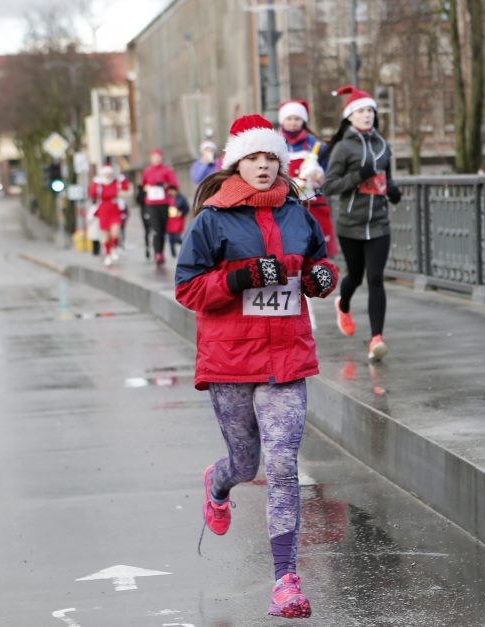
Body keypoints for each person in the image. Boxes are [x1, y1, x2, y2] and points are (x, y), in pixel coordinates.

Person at [174, 114, 337, 619]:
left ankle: (286, 581)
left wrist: (321, 278)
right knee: (247, 464)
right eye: (254, 158)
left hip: (286, 354)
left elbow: (316, 263)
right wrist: (244, 275)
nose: (264, 166)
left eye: (271, 158)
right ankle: (218, 484)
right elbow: (188, 289)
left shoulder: (298, 213)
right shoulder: (212, 219)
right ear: (236, 163)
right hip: (230, 359)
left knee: (284, 464)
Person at [323, 85, 401, 361]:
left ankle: (376, 339)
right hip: (351, 224)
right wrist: (358, 176)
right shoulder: (343, 148)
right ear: (350, 117)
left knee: (375, 278)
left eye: (370, 110)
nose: (366, 115)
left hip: (379, 223)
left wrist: (393, 191)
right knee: (355, 277)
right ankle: (342, 305)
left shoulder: (383, 146)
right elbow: (329, 186)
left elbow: (387, 179)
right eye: (360, 111)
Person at [278, 99, 336, 256]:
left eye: (297, 119)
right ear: (282, 120)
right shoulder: (274, 143)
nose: (293, 123)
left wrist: (317, 175)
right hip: (284, 202)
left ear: (303, 120)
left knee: (316, 246)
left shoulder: (316, 145)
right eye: (289, 119)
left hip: (312, 202)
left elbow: (328, 174)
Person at [140, 148, 179, 267]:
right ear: (151, 158)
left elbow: (174, 187)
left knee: (162, 230)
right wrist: (146, 188)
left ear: (161, 158)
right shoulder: (147, 171)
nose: (156, 159)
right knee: (156, 229)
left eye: (158, 157)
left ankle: (161, 252)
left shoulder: (167, 170)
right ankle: (157, 253)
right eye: (154, 157)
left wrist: (166, 186)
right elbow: (143, 185)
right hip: (151, 204)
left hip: (164, 203)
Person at [87, 164, 130, 266]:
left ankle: (114, 248)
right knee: (106, 236)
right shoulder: (99, 184)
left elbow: (126, 187)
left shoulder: (115, 183)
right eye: (105, 174)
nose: (107, 176)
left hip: (114, 209)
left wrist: (123, 179)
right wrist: (94, 183)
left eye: (109, 174)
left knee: (115, 232)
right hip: (103, 209)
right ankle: (107, 254)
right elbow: (92, 194)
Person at [164, 184, 190, 257]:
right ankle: (173, 253)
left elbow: (186, 208)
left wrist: (181, 213)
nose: (170, 192)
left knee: (176, 237)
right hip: (169, 220)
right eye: (169, 191)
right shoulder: (166, 198)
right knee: (170, 237)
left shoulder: (181, 198)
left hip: (178, 220)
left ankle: (186, 246)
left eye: (172, 191)